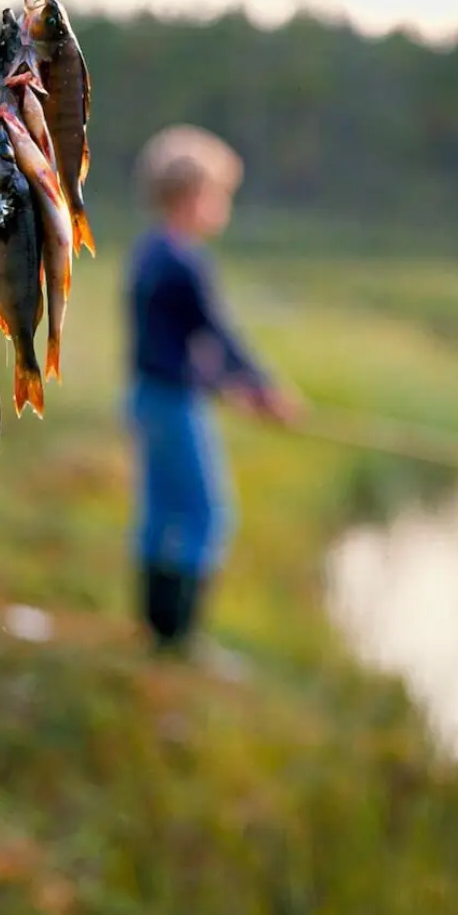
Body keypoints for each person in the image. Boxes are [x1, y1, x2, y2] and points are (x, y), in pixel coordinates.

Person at [125, 124, 303, 656]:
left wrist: (230, 389)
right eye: (219, 194)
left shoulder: (148, 252)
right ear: (192, 196)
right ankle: (182, 638)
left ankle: (156, 630)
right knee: (206, 514)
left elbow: (174, 345)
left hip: (148, 396)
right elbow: (219, 336)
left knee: (159, 513)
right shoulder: (184, 262)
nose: (223, 206)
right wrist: (268, 389)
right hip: (173, 405)